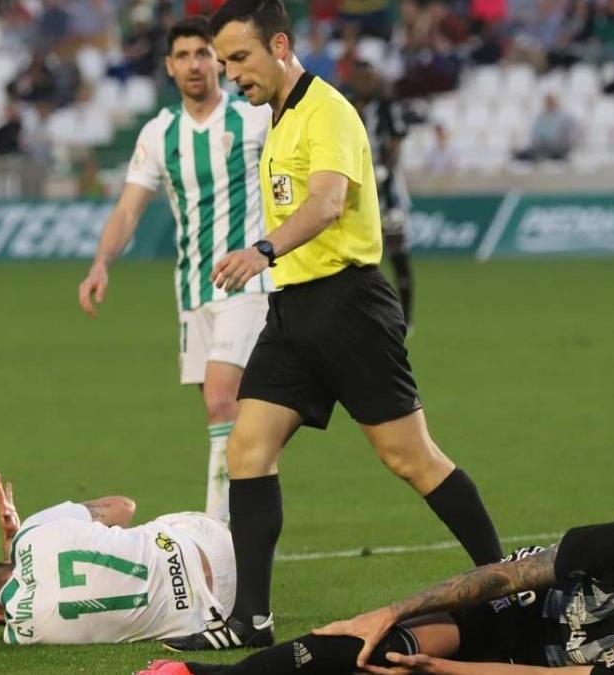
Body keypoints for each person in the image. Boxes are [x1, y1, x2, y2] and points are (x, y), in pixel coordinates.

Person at [162, 0, 502, 652]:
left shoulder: (329, 111)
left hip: (350, 306)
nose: (232, 74)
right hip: (292, 312)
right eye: (225, 61)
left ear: (280, 45)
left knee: (409, 456)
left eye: (241, 58)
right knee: (247, 449)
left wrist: (261, 249)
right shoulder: (277, 119)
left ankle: (505, 577)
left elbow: (325, 201)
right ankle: (250, 619)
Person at [78, 16, 273, 525]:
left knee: (220, 403)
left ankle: (217, 536)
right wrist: (101, 262)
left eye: (204, 54)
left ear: (220, 61)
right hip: (192, 292)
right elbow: (127, 210)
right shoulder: (160, 133)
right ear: (169, 66)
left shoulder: (253, 118)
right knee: (232, 421)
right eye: (183, 55)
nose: (194, 64)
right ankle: (255, 504)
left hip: (249, 284)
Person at [141, 522, 614, 675]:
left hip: (530, 669)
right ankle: (191, 673)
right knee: (374, 647)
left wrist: (446, 671)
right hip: (514, 615)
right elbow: (511, 578)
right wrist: (390, 612)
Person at [0, 470, 236, 645]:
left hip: (215, 609)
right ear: (1, 564)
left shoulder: (23, 635)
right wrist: (17, 538)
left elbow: (25, 600)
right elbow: (124, 507)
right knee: (133, 535)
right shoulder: (32, 531)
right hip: (210, 543)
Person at [350, 61, 414, 330]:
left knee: (397, 252)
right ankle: (363, 312)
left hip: (388, 193)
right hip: (355, 194)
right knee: (357, 257)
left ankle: (407, 318)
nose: (367, 82)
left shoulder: (386, 108)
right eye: (362, 77)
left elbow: (396, 142)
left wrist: (385, 170)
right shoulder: (345, 106)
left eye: (370, 77)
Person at [513, 93, 577, 162]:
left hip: (557, 147)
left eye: (551, 102)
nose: (549, 104)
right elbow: (535, 135)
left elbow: (568, 136)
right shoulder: (541, 117)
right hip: (541, 146)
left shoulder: (565, 117)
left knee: (546, 153)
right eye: (547, 102)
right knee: (523, 153)